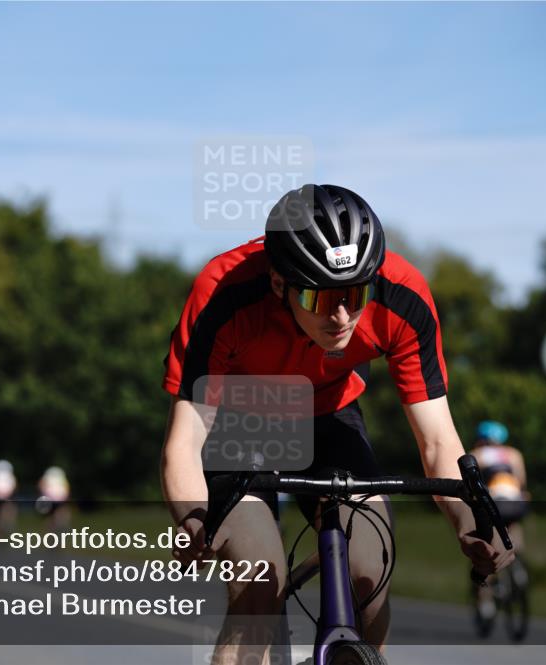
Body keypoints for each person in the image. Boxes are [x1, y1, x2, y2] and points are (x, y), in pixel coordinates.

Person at [160, 184, 515, 664]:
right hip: (240, 422)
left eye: (354, 294)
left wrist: (469, 522)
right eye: (320, 299)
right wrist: (193, 519)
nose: (343, 316)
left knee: (369, 572)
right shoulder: (223, 294)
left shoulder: (401, 296)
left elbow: (436, 441)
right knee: (260, 579)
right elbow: (184, 443)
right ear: (280, 285)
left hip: (331, 413)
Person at [468, 421, 528, 551]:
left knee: (488, 533)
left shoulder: (476, 454)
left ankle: (490, 559)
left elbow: (471, 483)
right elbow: (521, 481)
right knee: (514, 526)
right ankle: (519, 561)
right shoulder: (514, 454)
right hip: (516, 504)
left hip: (493, 503)